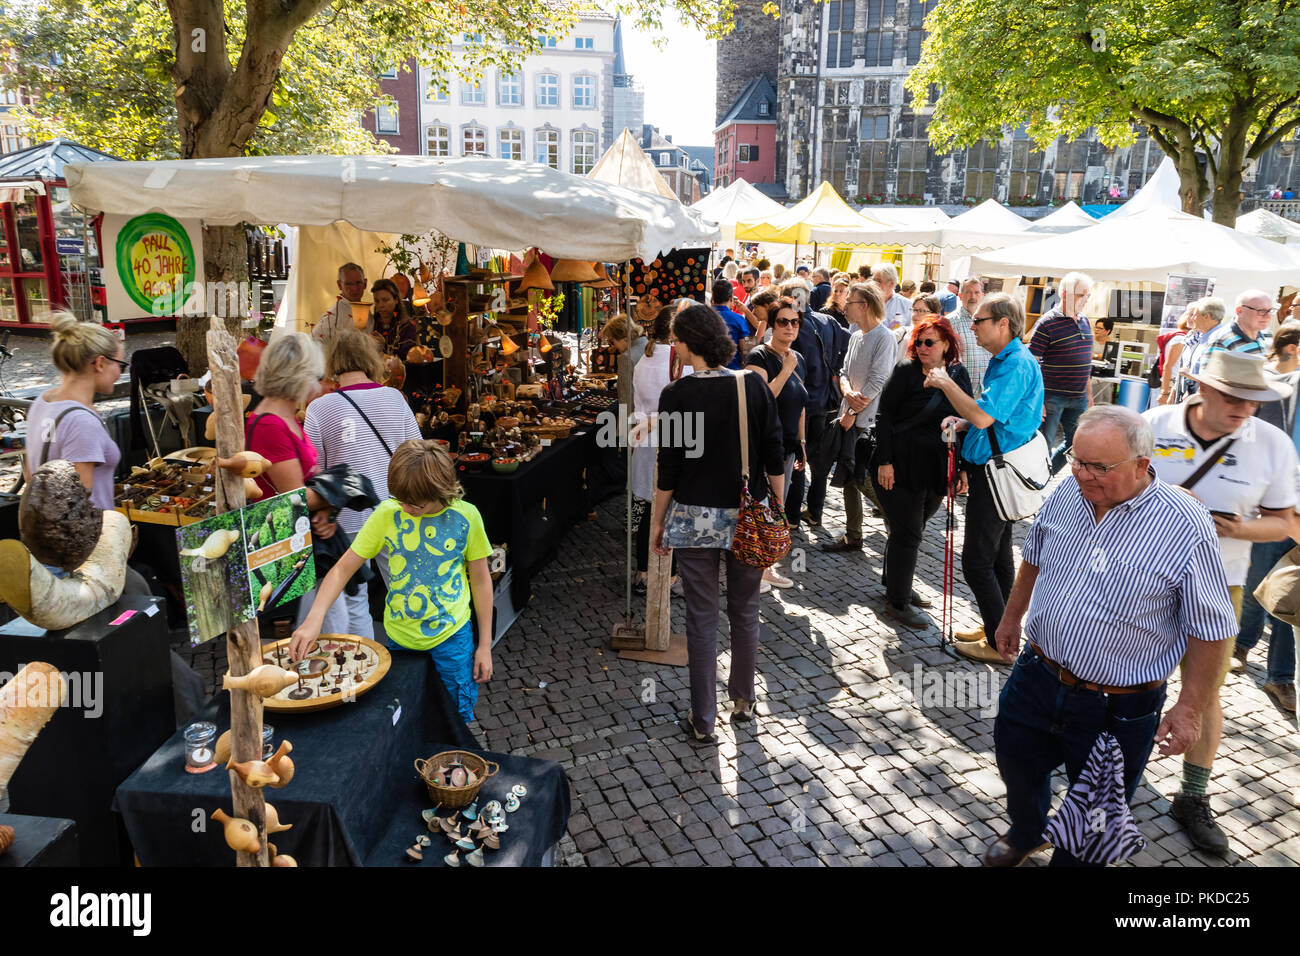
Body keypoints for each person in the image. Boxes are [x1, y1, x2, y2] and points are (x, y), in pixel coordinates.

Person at [984, 406, 1238, 867]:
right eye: (1078, 460)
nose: (1083, 474)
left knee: (1093, 819)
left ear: (1142, 464)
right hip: (1038, 674)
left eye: (1099, 467)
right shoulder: (1068, 493)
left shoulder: (1185, 525)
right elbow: (1035, 554)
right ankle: (1027, 831)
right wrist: (1010, 618)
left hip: (1118, 708)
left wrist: (1189, 708)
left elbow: (1213, 627)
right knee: (1015, 763)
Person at [1144, 351, 1297, 854]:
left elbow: (1287, 523)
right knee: (1121, 677)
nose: (1244, 408)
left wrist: (1236, 528)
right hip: (1135, 574)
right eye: (1233, 396)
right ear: (1202, 388)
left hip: (1217, 582)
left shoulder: (1272, 444)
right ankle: (1105, 771)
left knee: (1203, 691)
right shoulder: (1151, 424)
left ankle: (1192, 796)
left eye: (1254, 400)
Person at [26, 312, 206, 724]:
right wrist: (115, 538)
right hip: (91, 563)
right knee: (159, 659)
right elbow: (81, 505)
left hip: (55, 557)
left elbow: (30, 474)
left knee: (135, 632)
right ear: (97, 364)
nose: (120, 373)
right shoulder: (85, 423)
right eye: (119, 364)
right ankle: (195, 730)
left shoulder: (42, 405)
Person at [651, 304, 785, 744]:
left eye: (676, 338)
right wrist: (779, 508)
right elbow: (773, 453)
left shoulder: (676, 395)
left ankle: (702, 719)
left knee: (701, 617)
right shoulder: (752, 385)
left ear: (689, 343)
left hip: (693, 519)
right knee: (746, 610)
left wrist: (657, 525)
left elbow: (667, 471)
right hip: (747, 514)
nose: (674, 345)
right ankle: (744, 702)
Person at [290, 440, 494, 724]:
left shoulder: (466, 517)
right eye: (400, 500)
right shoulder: (387, 513)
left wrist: (484, 644)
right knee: (407, 714)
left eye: (414, 504)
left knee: (455, 714)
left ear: (441, 491)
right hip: (400, 638)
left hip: (453, 637)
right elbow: (341, 569)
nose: (406, 508)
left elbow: (482, 581)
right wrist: (315, 617)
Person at [926, 293, 1045, 662]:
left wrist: (946, 384)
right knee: (997, 558)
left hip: (997, 473)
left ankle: (1000, 644)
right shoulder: (1006, 359)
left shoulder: (1014, 363)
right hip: (995, 467)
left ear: (1003, 324)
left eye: (978, 321)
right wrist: (964, 422)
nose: (972, 327)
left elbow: (984, 417)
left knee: (977, 561)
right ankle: (998, 627)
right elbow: (989, 418)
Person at [303, 330, 421, 638]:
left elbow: (316, 474)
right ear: (370, 359)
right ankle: (418, 654)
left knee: (354, 601)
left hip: (348, 518)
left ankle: (362, 673)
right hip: (394, 511)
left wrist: (324, 514)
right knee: (406, 591)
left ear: (333, 362)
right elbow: (417, 457)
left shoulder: (319, 408)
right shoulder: (394, 398)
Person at [873, 318, 972, 626]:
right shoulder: (906, 371)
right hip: (899, 464)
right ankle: (898, 602)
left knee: (912, 526)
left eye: (930, 342)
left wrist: (963, 469)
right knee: (909, 532)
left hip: (936, 467)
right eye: (919, 342)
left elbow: (967, 418)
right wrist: (884, 461)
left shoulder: (958, 374)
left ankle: (895, 581)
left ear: (946, 345)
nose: (923, 348)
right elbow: (884, 415)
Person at [247, 332, 341, 630]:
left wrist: (326, 508)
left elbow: (305, 484)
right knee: (301, 640)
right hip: (279, 548)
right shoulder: (271, 424)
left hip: (298, 542)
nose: (319, 383)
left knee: (327, 628)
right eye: (316, 375)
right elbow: (294, 497)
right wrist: (341, 490)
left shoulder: (285, 416)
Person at [1235, 327, 1300, 711]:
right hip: (1276, 502)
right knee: (1258, 575)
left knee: (1294, 592)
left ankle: (1280, 678)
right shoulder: (1284, 386)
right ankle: (1242, 643)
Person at [823, 282, 895, 553]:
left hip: (865, 422)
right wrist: (847, 392)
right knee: (848, 478)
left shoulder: (884, 338)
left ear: (863, 306)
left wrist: (853, 411)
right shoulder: (855, 335)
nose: (844, 306)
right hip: (848, 416)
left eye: (849, 302)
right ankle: (853, 535)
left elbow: (877, 382)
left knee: (863, 478)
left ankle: (897, 526)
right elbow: (842, 372)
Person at [745, 297, 808, 589]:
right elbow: (761, 400)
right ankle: (755, 569)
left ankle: (766, 567)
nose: (790, 327)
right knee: (763, 507)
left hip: (787, 444)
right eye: (783, 321)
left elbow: (801, 405)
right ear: (772, 324)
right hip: (764, 444)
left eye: (795, 322)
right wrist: (785, 370)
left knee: (777, 508)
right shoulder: (759, 356)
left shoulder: (798, 359)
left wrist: (802, 443)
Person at [631, 306, 688, 594]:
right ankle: (670, 574)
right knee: (671, 511)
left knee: (649, 511)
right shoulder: (682, 363)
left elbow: (638, 407)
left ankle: (643, 570)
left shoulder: (645, 360)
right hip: (672, 446)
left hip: (645, 444)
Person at [1028, 270, 1095, 474]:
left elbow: (1086, 362)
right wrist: (1037, 400)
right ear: (1065, 293)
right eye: (1081, 294)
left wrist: (1089, 396)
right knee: (1042, 445)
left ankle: (1045, 478)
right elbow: (1031, 364)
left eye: (1087, 295)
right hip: (1051, 397)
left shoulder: (1084, 321)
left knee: (1077, 445)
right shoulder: (1047, 322)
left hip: (1079, 397)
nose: (1085, 300)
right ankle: (1034, 484)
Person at [1185, 289, 1276, 385]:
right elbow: (1208, 384)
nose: (1268, 316)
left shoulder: (1265, 336)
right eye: (1261, 311)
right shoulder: (1223, 339)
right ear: (1239, 311)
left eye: (1270, 311)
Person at [1170, 297, 1226, 403]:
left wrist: (1190, 375)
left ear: (1206, 316)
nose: (1192, 318)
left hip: (1201, 401)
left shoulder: (1219, 340)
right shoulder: (1200, 337)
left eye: (1195, 314)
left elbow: (1218, 378)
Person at [947, 277, 988, 397]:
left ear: (982, 295)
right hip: (960, 392)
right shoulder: (950, 322)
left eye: (976, 292)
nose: (973, 297)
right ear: (960, 295)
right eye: (968, 292)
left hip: (986, 392)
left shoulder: (990, 321)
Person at [313, 262, 371, 345]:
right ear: (339, 285)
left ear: (365, 283)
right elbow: (314, 346)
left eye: (358, 283)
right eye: (348, 284)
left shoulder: (368, 312)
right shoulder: (332, 317)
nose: (354, 288)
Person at [601, 313, 646, 413]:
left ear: (622, 336)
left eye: (612, 341)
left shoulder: (626, 358)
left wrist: (623, 428)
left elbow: (626, 399)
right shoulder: (648, 345)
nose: (614, 346)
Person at [368, 278, 419, 356]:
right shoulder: (371, 323)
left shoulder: (407, 327)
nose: (380, 305)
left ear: (396, 300)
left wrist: (384, 346)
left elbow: (408, 357)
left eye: (385, 300)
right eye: (377, 301)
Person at [1156, 308, 1194, 405]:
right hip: (1171, 384)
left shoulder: (1182, 338)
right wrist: (1165, 393)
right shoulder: (1180, 339)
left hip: (1173, 384)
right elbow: (1168, 366)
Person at [711, 279, 750, 370]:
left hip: (705, 372)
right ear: (731, 298)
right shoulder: (739, 319)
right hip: (733, 372)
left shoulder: (702, 317)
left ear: (712, 298)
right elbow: (748, 350)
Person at [872, 263, 913, 332]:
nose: (874, 284)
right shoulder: (865, 303)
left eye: (879, 281)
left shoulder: (907, 305)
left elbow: (911, 332)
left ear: (891, 284)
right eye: (873, 280)